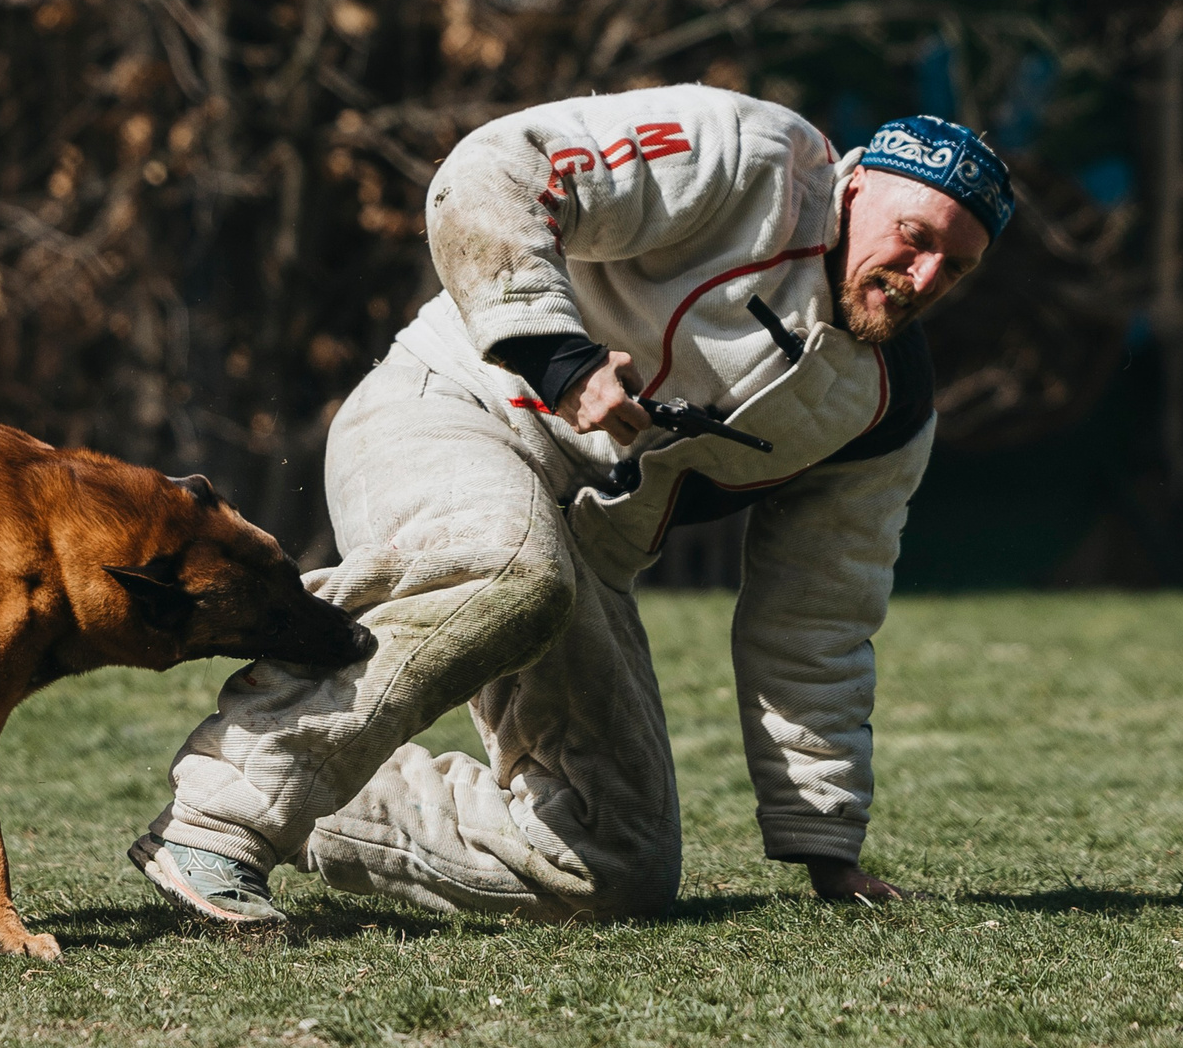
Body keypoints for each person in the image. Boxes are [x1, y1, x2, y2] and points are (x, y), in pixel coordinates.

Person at [130, 90, 1010, 923]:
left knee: (614, 860)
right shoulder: (750, 155)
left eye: (958, 267)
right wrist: (561, 358)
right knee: (511, 564)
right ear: (855, 187)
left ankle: (317, 799)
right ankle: (218, 822)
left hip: (575, 554)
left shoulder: (888, 410)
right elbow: (495, 169)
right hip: (450, 408)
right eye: (913, 235)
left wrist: (827, 842)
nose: (924, 275)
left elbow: (817, 615)